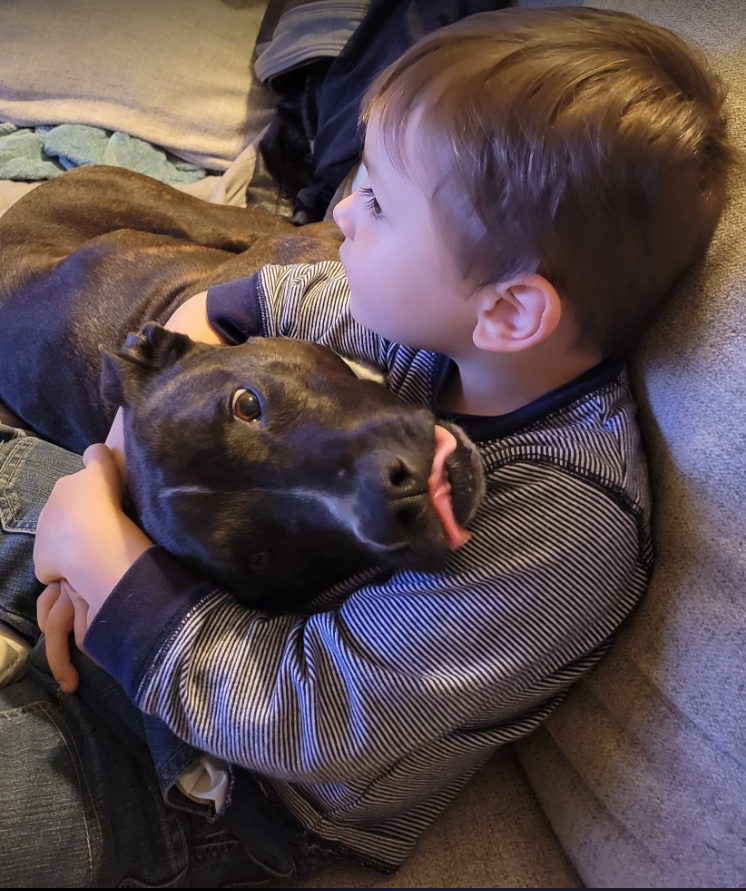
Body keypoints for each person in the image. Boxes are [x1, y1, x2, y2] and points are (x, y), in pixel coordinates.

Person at [0, 6, 732, 886]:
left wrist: (109, 571)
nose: (342, 212)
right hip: (174, 586)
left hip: (240, 787)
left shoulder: (564, 530)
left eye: (379, 199)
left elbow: (307, 716)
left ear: (511, 308)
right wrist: (111, 480)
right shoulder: (441, 333)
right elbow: (251, 304)